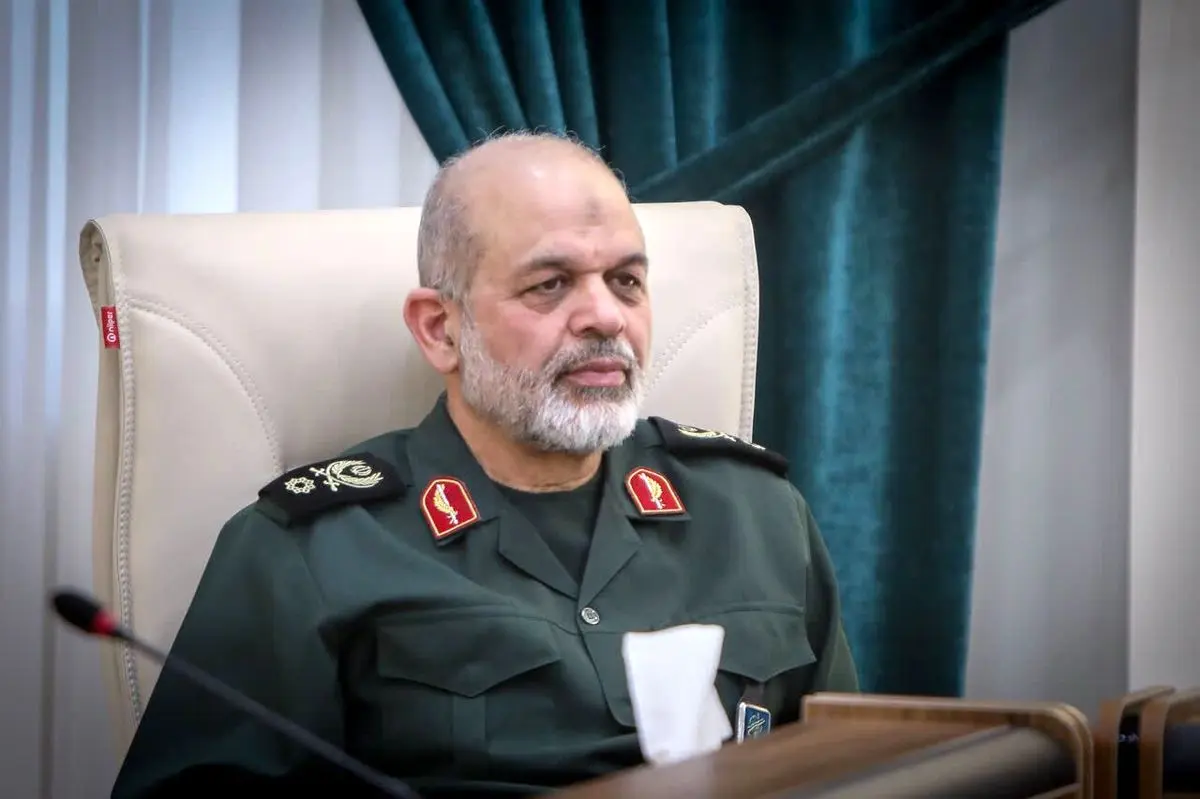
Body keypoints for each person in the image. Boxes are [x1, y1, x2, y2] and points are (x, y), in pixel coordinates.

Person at [110, 131, 859, 798]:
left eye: (627, 281)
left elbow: (856, 765)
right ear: (441, 329)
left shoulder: (759, 514)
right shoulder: (311, 547)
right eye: (550, 284)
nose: (606, 316)